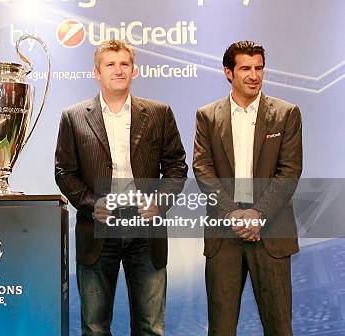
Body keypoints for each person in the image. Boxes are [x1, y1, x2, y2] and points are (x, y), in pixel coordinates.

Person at [55, 39, 188, 335]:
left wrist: (159, 202)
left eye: (124, 64)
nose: (118, 70)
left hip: (146, 227)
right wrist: (92, 205)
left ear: (134, 70)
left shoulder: (158, 113)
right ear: (96, 72)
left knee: (150, 327)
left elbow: (177, 166)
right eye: (110, 64)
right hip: (98, 227)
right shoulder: (73, 116)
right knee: (95, 327)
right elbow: (64, 172)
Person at [193, 41, 302, 335]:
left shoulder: (286, 113)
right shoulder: (207, 115)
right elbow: (203, 170)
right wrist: (232, 213)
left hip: (271, 232)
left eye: (259, 68)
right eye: (245, 68)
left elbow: (289, 172)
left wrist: (258, 215)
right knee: (221, 329)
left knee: (279, 327)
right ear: (229, 72)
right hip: (223, 235)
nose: (254, 75)